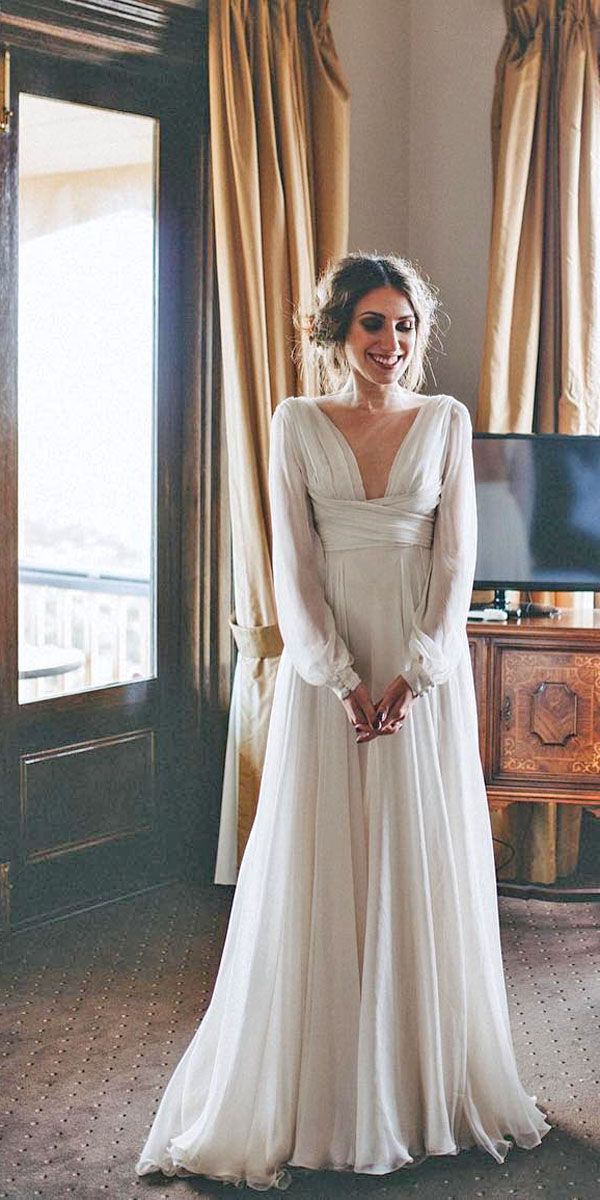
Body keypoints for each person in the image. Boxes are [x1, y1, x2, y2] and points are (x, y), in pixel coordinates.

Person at [135, 253, 551, 1190]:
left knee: (413, 854)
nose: (391, 344)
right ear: (337, 332)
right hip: (332, 682)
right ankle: (318, 1087)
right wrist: (335, 673)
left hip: (418, 671)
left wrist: (418, 671)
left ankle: (414, 1084)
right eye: (373, 324)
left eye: (404, 326)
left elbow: (457, 563)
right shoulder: (295, 424)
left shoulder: (444, 422)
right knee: (326, 858)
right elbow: (295, 563)